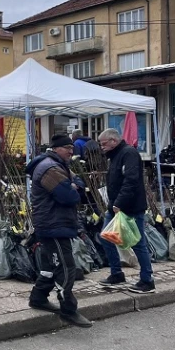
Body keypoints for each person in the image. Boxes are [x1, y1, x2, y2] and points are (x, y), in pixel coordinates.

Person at [25, 134, 92, 328]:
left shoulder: (57, 165)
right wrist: (73, 187)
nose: (71, 151)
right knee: (65, 267)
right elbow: (69, 197)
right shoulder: (51, 169)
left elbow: (79, 185)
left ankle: (38, 298)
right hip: (53, 225)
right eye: (66, 148)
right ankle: (68, 310)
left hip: (54, 223)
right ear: (55, 149)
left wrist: (74, 185)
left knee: (48, 267)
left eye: (72, 148)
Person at [97, 128, 155, 293]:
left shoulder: (128, 153)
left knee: (137, 243)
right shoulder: (114, 156)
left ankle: (147, 279)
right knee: (106, 238)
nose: (102, 147)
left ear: (113, 141)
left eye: (104, 144)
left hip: (129, 208)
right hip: (115, 208)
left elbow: (131, 180)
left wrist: (119, 203)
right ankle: (116, 273)